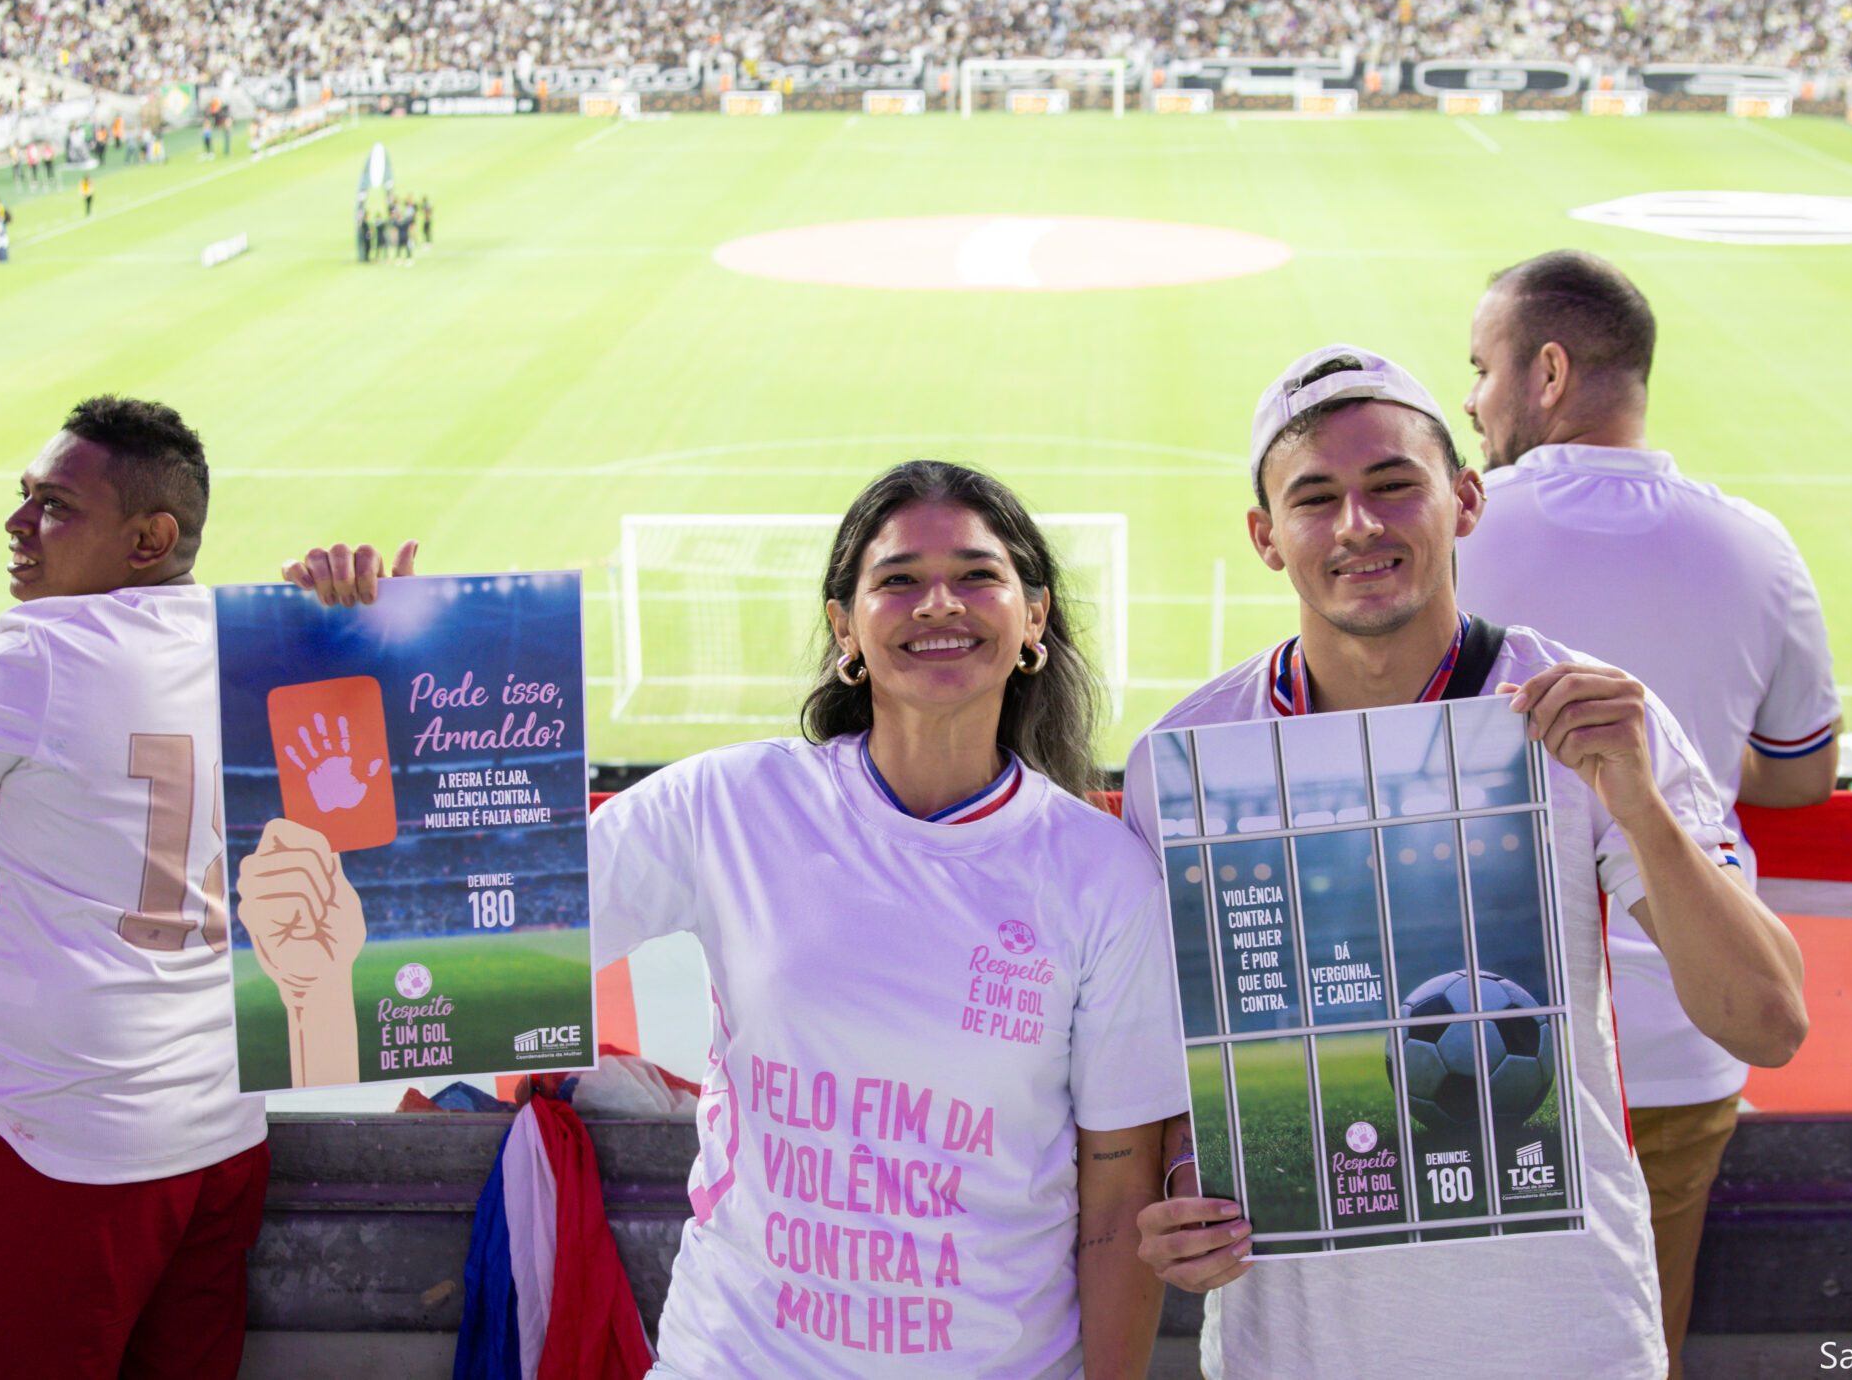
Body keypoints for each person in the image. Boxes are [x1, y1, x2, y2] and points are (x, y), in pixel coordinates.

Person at [285, 460, 1187, 1379]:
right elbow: (471, 938)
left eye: (977, 575)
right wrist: (363, 679)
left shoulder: (1101, 872)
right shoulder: (731, 801)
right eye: (899, 580)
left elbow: (1117, 1195)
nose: (938, 604)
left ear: (1033, 615)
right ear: (846, 626)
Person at [1127, 345, 1808, 1380]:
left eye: (1393, 484)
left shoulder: (1587, 714)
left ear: (1466, 497)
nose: (1358, 524)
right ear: (1267, 537)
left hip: (1563, 1336)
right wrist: (1178, 1177)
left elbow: (1767, 1019)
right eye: (1316, 498)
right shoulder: (1185, 760)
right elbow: (1163, 1052)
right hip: (1294, 1348)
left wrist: (1634, 800)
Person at [1452, 251, 1840, 1378]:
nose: (1470, 400)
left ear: (1549, 371)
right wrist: (1687, 769)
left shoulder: (1455, 535)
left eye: (1480, 369)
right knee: (1632, 1347)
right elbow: (1802, 774)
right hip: (1683, 1038)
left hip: (1475, 1040)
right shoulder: (1758, 546)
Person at [0, 398, 270, 1380]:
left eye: (54, 503)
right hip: (220, 1137)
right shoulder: (245, 637)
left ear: (148, 538)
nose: (17, 523)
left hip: (58, 1147)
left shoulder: (41, 652)